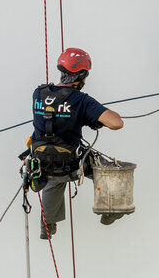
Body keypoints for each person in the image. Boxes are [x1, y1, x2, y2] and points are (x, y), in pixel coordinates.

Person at [28, 48, 124, 239]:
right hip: (71, 164)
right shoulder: (81, 100)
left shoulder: (38, 93)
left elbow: (56, 116)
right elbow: (116, 123)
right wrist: (93, 118)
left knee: (53, 176)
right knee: (112, 172)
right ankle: (110, 210)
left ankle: (47, 224)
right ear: (81, 75)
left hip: (42, 165)